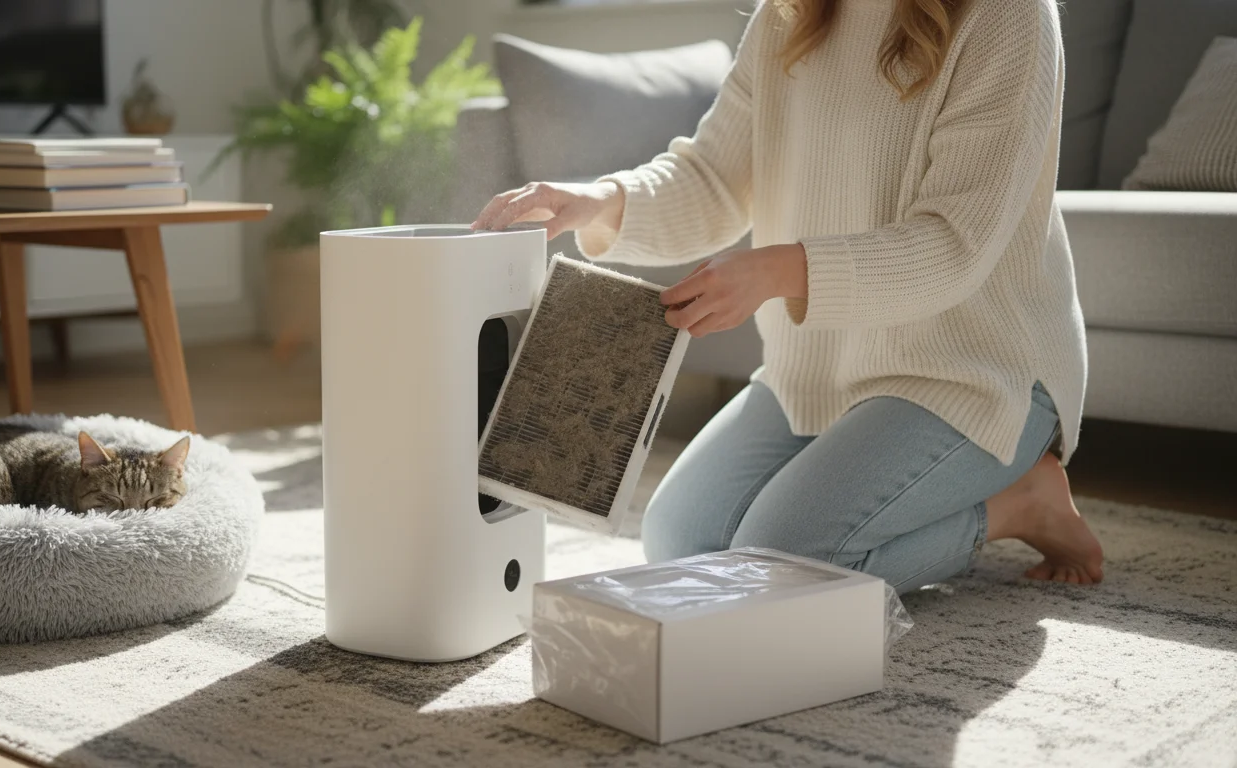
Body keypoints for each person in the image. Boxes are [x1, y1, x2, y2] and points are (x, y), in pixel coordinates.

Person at [472, 0, 1103, 592]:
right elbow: (713, 178)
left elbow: (954, 244)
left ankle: (1019, 504)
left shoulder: (1010, 15)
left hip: (975, 369)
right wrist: (600, 201)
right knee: (681, 541)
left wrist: (780, 271)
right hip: (820, 368)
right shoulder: (791, 12)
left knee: (792, 562)